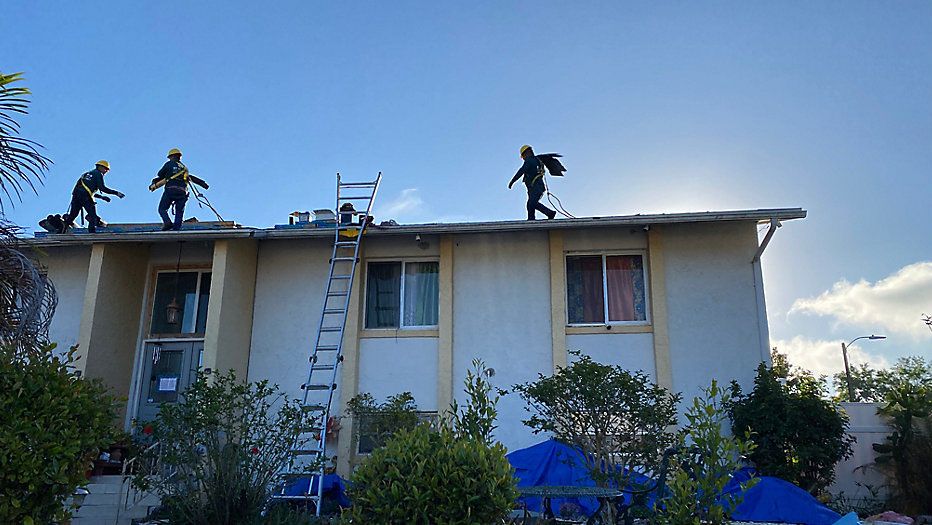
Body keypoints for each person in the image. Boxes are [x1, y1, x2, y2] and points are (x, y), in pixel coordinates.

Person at [151, 148, 208, 231]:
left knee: (162, 209)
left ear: (171, 156)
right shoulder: (184, 168)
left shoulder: (169, 164)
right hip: (183, 192)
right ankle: (176, 229)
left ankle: (167, 223)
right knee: (179, 211)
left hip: (171, 189)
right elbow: (191, 178)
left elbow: (160, 174)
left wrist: (154, 183)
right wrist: (203, 184)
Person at [61, 160, 125, 233]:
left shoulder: (86, 174)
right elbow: (102, 188)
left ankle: (63, 229)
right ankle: (92, 233)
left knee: (73, 215)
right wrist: (116, 193)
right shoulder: (98, 174)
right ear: (100, 167)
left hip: (76, 195)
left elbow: (86, 190)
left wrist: (101, 197)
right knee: (92, 216)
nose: (106, 172)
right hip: (84, 196)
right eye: (106, 169)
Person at [508, 144, 556, 220]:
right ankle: (535, 218)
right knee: (531, 204)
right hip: (535, 187)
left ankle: (547, 214)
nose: (523, 158)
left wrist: (512, 181)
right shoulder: (536, 160)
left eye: (523, 156)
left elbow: (522, 170)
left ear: (527, 152)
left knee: (531, 204)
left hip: (536, 186)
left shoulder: (530, 160)